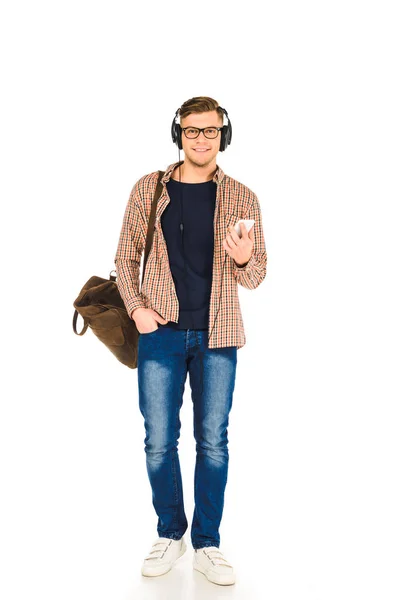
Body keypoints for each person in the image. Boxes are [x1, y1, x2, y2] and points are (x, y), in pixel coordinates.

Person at [114, 96, 267, 586]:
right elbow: (125, 254)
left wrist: (243, 259)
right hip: (159, 333)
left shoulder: (242, 196)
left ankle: (207, 543)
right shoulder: (149, 188)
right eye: (192, 130)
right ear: (178, 133)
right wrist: (136, 308)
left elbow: (258, 273)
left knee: (213, 442)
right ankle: (169, 531)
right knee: (159, 442)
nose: (201, 139)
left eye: (211, 130)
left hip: (218, 334)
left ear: (224, 134)